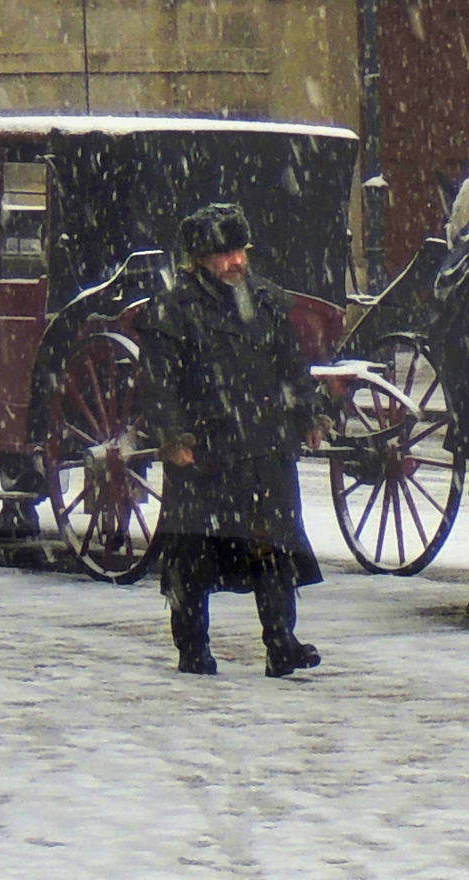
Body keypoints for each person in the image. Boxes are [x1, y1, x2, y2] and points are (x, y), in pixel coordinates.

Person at [137, 202, 331, 677]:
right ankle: (193, 647)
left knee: (275, 550)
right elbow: (157, 384)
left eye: (239, 251)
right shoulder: (174, 310)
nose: (235, 262)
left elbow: (291, 367)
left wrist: (308, 415)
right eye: (223, 254)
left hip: (266, 449)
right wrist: (171, 435)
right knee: (192, 557)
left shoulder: (265, 302)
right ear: (199, 259)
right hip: (205, 455)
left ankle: (281, 642)